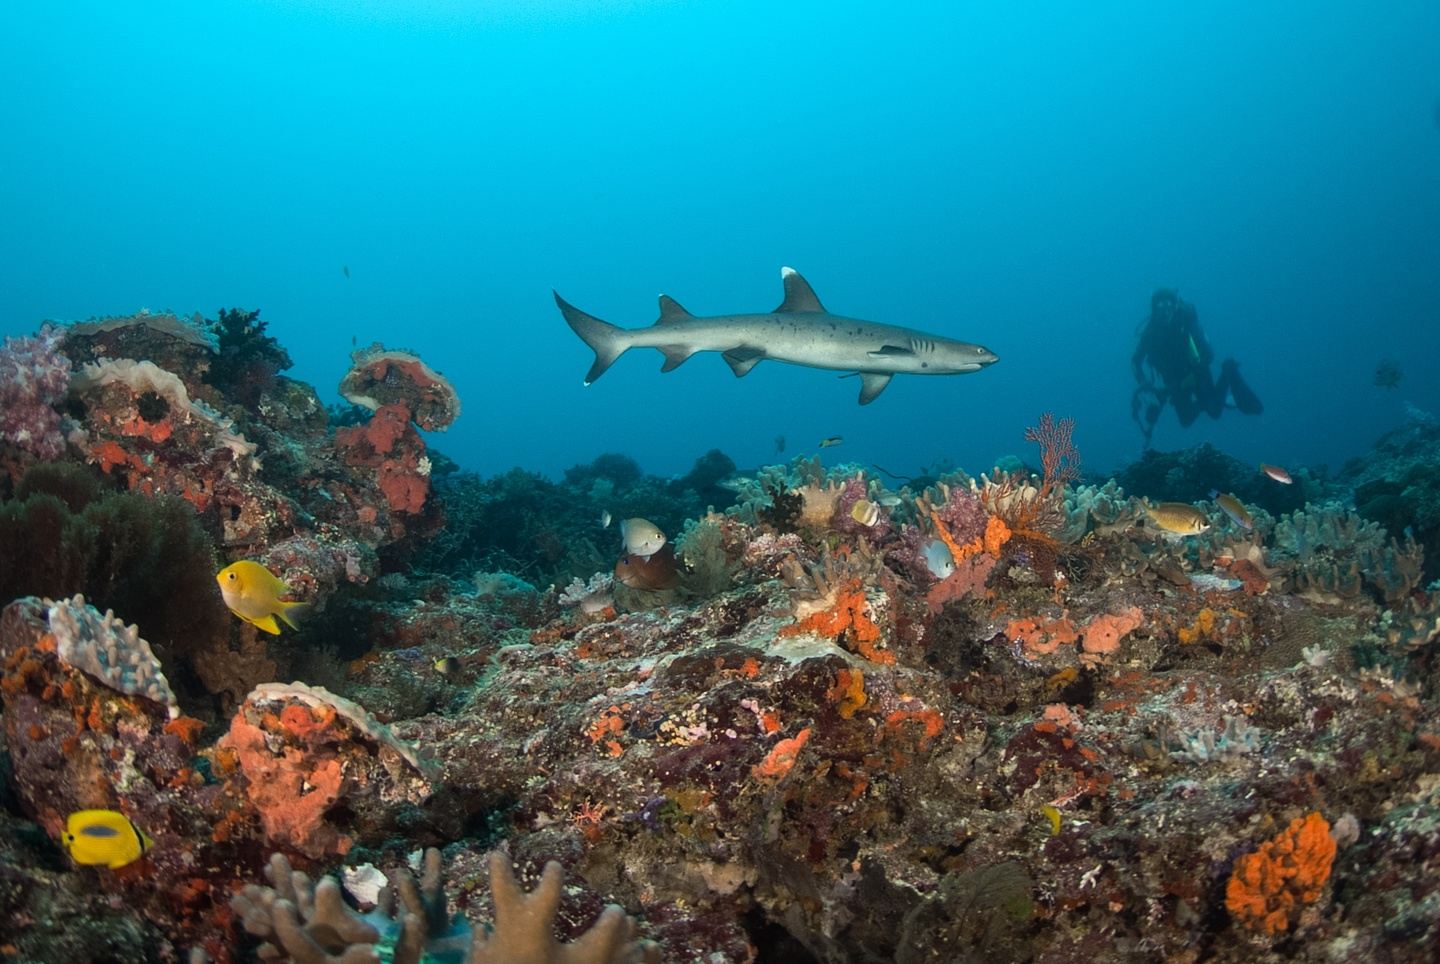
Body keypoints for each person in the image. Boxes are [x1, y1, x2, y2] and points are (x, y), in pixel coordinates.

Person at [1130, 289, 1262, 447]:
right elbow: (1135, 361)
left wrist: (1192, 376)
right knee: (1185, 420)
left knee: (1214, 412)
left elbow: (1208, 355)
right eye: (1161, 307)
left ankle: (1228, 371)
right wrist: (1145, 384)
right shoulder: (1149, 334)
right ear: (1154, 310)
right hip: (1175, 382)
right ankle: (1208, 402)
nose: (1165, 312)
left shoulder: (1186, 322)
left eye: (1169, 306)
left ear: (1175, 306)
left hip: (1197, 372)